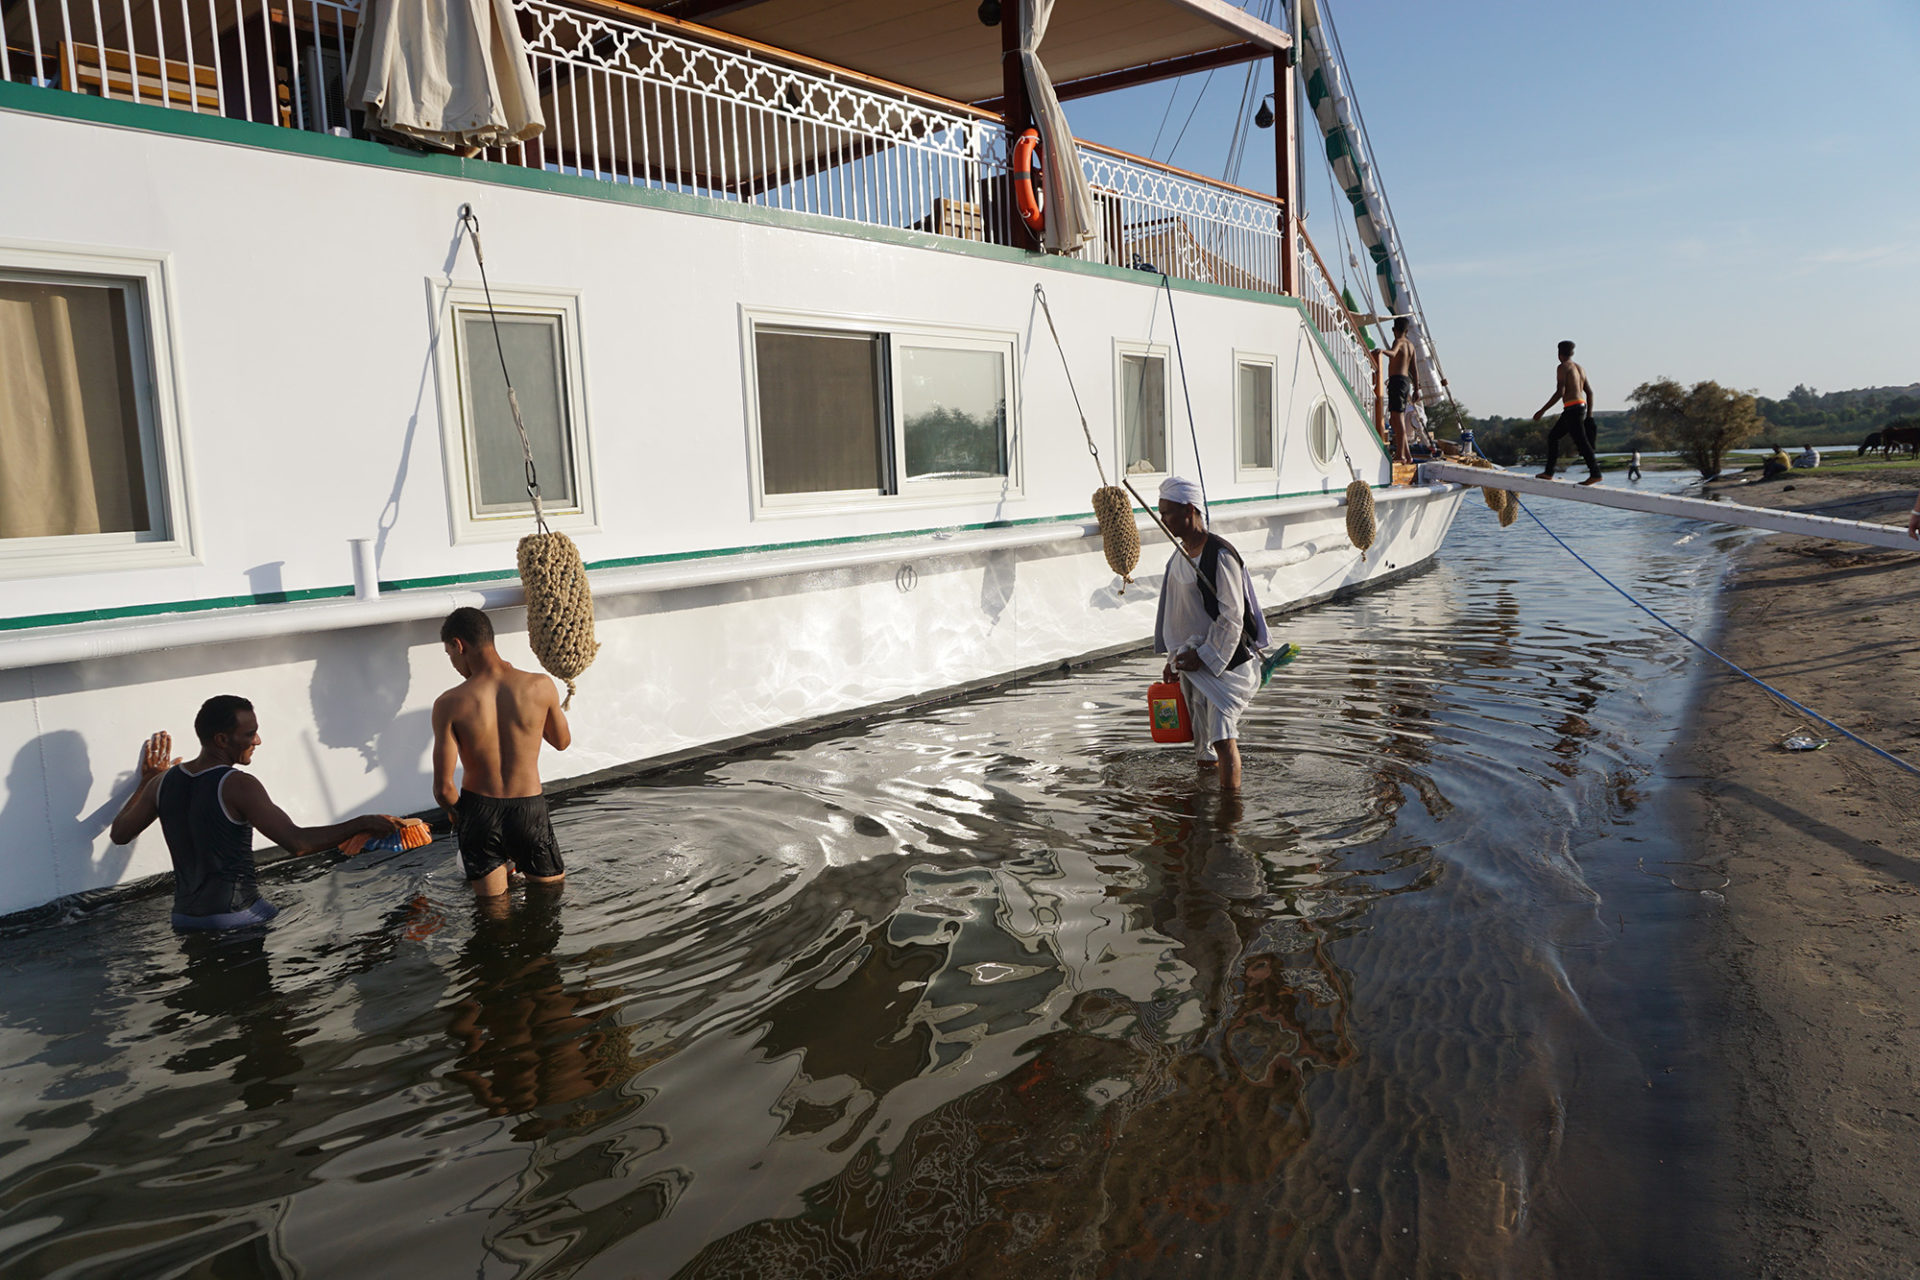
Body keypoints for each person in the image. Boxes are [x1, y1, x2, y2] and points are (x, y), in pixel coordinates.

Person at [109, 696, 398, 931]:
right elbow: (297, 843)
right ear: (222, 740)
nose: (257, 740)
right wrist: (363, 822)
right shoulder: (238, 785)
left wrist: (145, 781)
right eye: (249, 734)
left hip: (183, 920)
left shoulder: (162, 782)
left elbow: (120, 834)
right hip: (238, 916)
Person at [432, 607, 572, 898]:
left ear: (459, 645)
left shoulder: (449, 703)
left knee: (492, 913)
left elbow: (444, 789)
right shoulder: (540, 685)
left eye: (450, 656)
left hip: (479, 812)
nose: (455, 664)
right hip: (528, 811)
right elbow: (561, 741)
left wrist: (457, 815)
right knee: (549, 899)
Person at [1153, 477, 1263, 791]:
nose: (1162, 521)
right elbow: (1178, 616)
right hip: (1190, 662)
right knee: (1203, 743)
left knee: (1224, 739)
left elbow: (1232, 617)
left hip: (1222, 664)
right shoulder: (1178, 556)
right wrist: (1174, 659)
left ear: (1189, 510)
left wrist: (1204, 656)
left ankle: (1229, 819)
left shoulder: (1220, 555)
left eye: (1168, 513)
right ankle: (1205, 802)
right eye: (1160, 513)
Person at [1531, 340, 1602, 485]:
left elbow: (1559, 392)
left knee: (1581, 442)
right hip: (1578, 407)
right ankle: (1549, 472)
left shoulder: (1562, 367)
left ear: (1559, 354)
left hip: (1572, 409)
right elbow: (1589, 393)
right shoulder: (1580, 368)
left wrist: (1542, 411)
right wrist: (1589, 415)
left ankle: (1596, 473)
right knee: (1554, 437)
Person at [1384, 317, 1417, 464]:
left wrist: (1381, 351)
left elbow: (1393, 353)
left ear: (1394, 330)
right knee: (1395, 419)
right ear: (1407, 330)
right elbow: (1414, 369)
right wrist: (1416, 389)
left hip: (1397, 381)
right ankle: (1408, 454)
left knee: (1398, 419)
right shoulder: (1411, 346)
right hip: (1406, 382)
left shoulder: (1398, 342)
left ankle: (1400, 454)